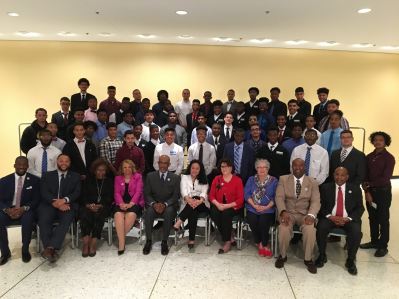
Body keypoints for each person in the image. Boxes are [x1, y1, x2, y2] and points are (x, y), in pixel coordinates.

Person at [274, 158, 321, 274]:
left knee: (310, 229)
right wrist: (283, 211)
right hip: (288, 212)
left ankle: (308, 259)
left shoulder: (312, 182)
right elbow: (279, 197)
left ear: (304, 167)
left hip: (305, 214)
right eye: (295, 166)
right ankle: (283, 256)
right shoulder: (283, 179)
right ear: (292, 167)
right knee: (283, 228)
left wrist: (311, 215)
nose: (298, 168)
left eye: (300, 166)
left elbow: (316, 201)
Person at [316, 167, 364, 275]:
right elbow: (320, 206)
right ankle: (322, 255)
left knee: (356, 232)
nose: (339, 177)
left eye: (342, 175)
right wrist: (330, 216)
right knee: (321, 227)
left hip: (348, 219)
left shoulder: (355, 189)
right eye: (337, 174)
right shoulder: (325, 188)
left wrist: (348, 218)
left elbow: (360, 208)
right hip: (331, 218)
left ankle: (350, 260)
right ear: (333, 175)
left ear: (347, 177)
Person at [38, 154, 81, 263]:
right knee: (44, 220)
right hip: (49, 204)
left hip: (67, 204)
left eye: (67, 161)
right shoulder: (47, 175)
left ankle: (49, 248)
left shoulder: (75, 176)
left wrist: (64, 200)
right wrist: (56, 202)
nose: (64, 163)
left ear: (70, 163)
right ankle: (51, 249)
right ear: (57, 162)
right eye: (61, 161)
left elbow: (77, 192)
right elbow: (44, 192)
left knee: (66, 221)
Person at [360, 131, 395, 257]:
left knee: (383, 219)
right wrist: (367, 191)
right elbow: (364, 176)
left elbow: (386, 178)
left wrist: (370, 184)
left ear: (385, 142)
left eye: (381, 140)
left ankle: (383, 246)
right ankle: (374, 241)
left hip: (383, 193)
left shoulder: (389, 158)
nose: (378, 142)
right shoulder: (368, 157)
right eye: (375, 139)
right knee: (372, 218)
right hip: (370, 193)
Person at [0, 157, 40, 265]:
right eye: (19, 164)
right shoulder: (4, 181)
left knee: (28, 219)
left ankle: (25, 250)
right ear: (14, 166)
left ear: (28, 166)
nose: (22, 167)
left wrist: (24, 208)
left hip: (25, 208)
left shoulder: (35, 180)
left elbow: (36, 199)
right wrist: (7, 210)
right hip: (8, 208)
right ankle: (5, 252)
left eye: (24, 165)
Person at [143, 155, 180, 255]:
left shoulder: (175, 178)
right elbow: (147, 194)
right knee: (149, 212)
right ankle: (148, 241)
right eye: (161, 163)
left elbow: (176, 196)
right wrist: (154, 204)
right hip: (154, 205)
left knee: (168, 213)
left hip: (169, 206)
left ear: (169, 165)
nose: (163, 165)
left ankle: (164, 242)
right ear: (158, 163)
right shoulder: (150, 176)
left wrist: (165, 204)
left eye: (165, 163)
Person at [209, 158, 244, 254]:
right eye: (222, 166)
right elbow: (211, 195)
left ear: (231, 168)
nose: (224, 168)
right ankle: (230, 235)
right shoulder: (217, 179)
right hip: (219, 204)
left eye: (227, 166)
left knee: (225, 214)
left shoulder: (237, 180)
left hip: (233, 206)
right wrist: (217, 204)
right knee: (214, 213)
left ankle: (227, 242)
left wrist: (226, 206)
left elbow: (240, 199)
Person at [80, 159, 113, 257]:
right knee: (84, 213)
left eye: (103, 170)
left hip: (103, 206)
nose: (101, 172)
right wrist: (88, 205)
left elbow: (110, 197)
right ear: (94, 170)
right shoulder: (88, 180)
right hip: (88, 205)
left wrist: (100, 204)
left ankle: (94, 240)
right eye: (98, 170)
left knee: (100, 213)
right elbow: (83, 196)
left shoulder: (109, 181)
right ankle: (86, 242)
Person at [244, 159, 278, 257]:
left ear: (268, 169)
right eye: (259, 167)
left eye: (264, 167)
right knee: (252, 220)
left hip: (268, 208)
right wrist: (254, 205)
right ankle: (258, 242)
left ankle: (265, 243)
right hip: (252, 207)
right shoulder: (251, 179)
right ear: (256, 169)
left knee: (263, 221)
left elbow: (276, 196)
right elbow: (246, 194)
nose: (262, 169)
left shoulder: (274, 181)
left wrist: (266, 207)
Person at [173, 160, 209, 249]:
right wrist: (189, 200)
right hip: (188, 204)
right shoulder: (184, 177)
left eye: (197, 168)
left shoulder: (204, 178)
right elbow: (183, 191)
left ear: (200, 170)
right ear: (190, 168)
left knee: (196, 198)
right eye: (193, 168)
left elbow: (204, 193)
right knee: (193, 212)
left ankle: (180, 220)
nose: (194, 170)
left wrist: (198, 201)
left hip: (202, 204)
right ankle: (191, 240)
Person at [114, 159, 144, 255]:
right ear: (122, 169)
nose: (127, 169)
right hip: (120, 202)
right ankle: (122, 243)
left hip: (135, 202)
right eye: (125, 167)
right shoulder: (118, 178)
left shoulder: (138, 177)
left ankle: (120, 239)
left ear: (132, 168)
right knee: (118, 215)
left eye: (129, 167)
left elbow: (138, 192)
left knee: (130, 215)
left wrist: (131, 204)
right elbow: (117, 193)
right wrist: (121, 204)